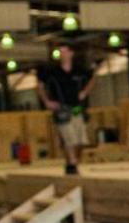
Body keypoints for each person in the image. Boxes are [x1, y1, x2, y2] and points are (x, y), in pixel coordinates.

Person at [37, 43, 94, 175]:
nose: (62, 55)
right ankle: (73, 163)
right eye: (60, 52)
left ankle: (70, 164)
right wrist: (46, 101)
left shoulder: (79, 70)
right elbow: (40, 84)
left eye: (65, 52)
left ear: (71, 53)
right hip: (61, 109)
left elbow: (92, 78)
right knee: (68, 137)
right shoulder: (53, 72)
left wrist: (85, 92)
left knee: (80, 139)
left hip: (77, 108)